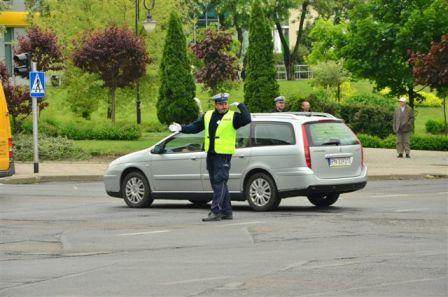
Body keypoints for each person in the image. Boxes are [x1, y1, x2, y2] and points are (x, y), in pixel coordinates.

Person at [169, 93, 251, 221]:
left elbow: (247, 119)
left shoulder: (233, 117)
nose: (224, 106)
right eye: (220, 104)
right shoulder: (208, 115)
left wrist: (241, 106)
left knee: (219, 181)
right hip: (211, 154)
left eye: (225, 103)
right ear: (215, 104)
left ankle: (215, 211)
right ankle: (227, 212)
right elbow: (196, 127)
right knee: (218, 183)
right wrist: (181, 128)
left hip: (223, 155)